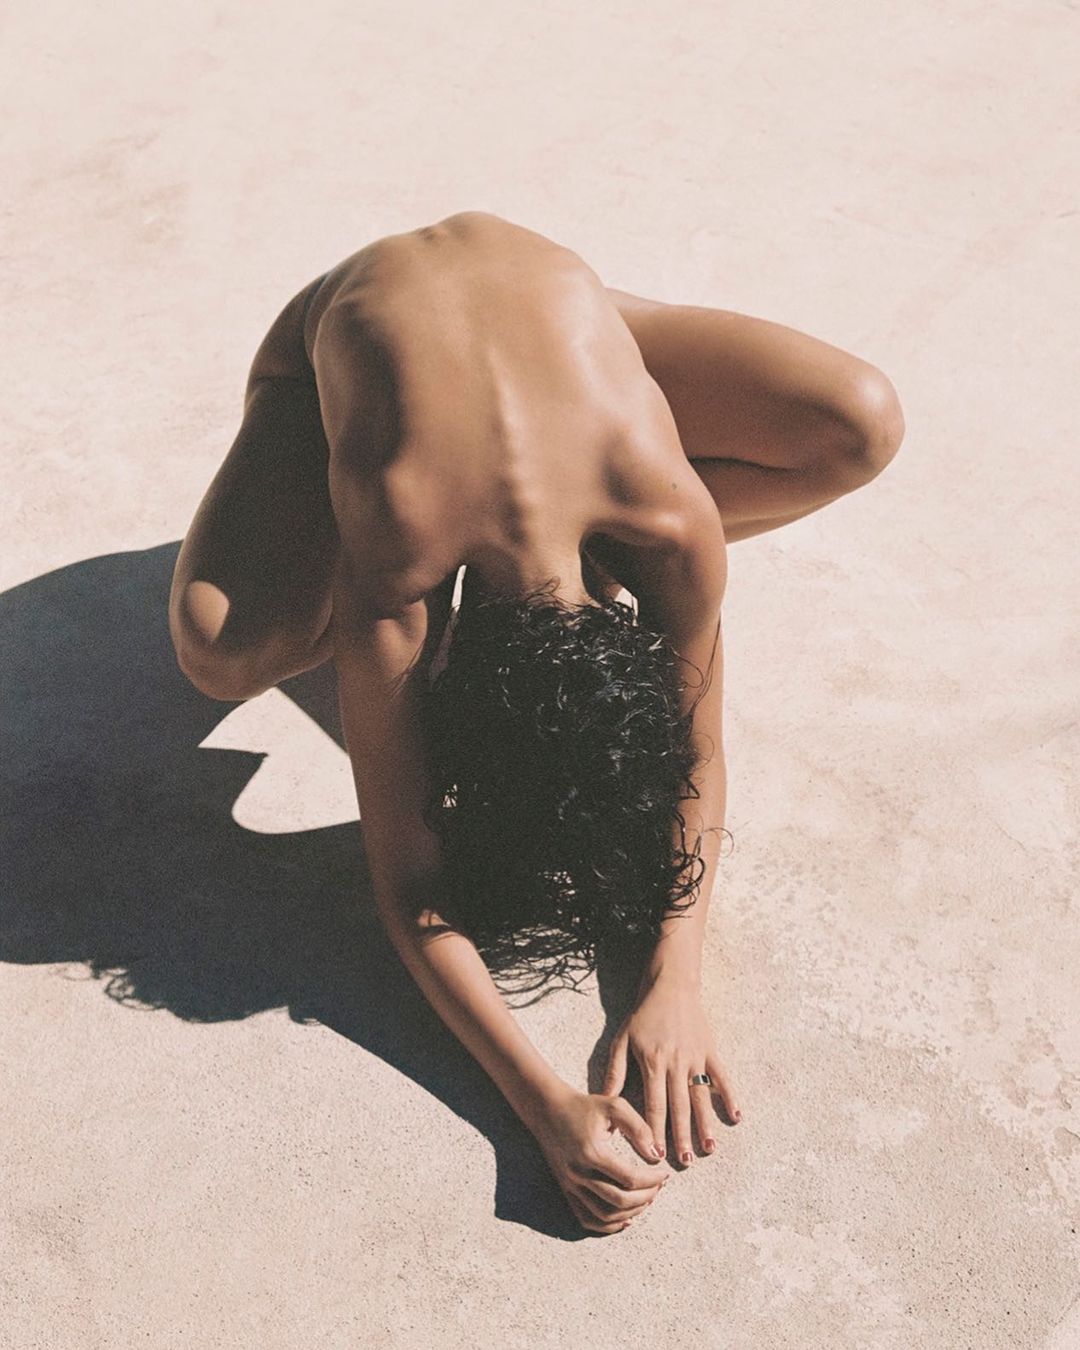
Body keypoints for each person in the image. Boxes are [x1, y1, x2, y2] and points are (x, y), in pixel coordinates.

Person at [168, 209, 905, 1234]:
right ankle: (363, 447)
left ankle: (566, 381)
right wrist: (541, 1103)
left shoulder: (670, 519)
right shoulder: (398, 550)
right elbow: (408, 877)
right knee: (222, 650)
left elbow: (697, 752)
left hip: (561, 317)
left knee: (862, 423)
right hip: (332, 335)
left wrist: (676, 978)